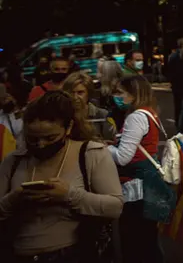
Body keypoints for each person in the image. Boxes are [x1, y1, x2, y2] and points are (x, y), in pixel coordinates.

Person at [0, 91, 123, 262]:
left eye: (50, 138)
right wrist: (14, 199)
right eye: (33, 139)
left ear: (69, 128)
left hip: (72, 254)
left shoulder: (91, 153)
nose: (41, 145)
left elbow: (115, 207)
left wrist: (69, 195)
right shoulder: (14, 161)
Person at [108, 75, 168, 263]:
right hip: (149, 185)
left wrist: (103, 148)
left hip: (137, 188)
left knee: (135, 240)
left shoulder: (136, 117)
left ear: (134, 94)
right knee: (148, 239)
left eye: (120, 93)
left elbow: (123, 158)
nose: (115, 96)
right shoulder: (149, 113)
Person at [62, 72, 116, 142]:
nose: (75, 97)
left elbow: (111, 142)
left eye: (80, 92)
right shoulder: (62, 114)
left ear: (89, 93)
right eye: (71, 92)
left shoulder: (102, 114)